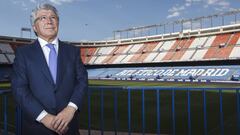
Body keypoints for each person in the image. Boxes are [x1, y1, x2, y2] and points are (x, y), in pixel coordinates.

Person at [11, 3, 88, 135]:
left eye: (53, 17)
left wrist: (71, 108)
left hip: (68, 126)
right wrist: (45, 118)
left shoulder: (72, 51)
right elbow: (19, 89)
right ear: (34, 27)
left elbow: (82, 81)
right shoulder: (23, 53)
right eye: (43, 18)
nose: (49, 21)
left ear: (58, 23)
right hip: (36, 128)